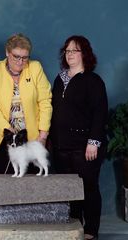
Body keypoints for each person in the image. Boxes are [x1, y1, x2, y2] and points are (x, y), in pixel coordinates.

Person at [50, 35, 108, 240]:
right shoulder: (59, 79)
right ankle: (75, 227)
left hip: (85, 146)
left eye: (75, 50)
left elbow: (100, 114)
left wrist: (93, 142)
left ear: (85, 54)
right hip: (61, 145)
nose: (70, 54)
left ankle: (91, 230)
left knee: (89, 187)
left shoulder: (93, 81)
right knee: (68, 189)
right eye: (67, 51)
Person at [0, 33, 52, 174]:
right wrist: (8, 131)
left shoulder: (35, 68)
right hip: (4, 137)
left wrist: (43, 135)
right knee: (7, 180)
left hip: (32, 138)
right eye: (16, 56)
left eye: (25, 57)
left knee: (34, 181)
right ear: (7, 52)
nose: (20, 61)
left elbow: (45, 101)